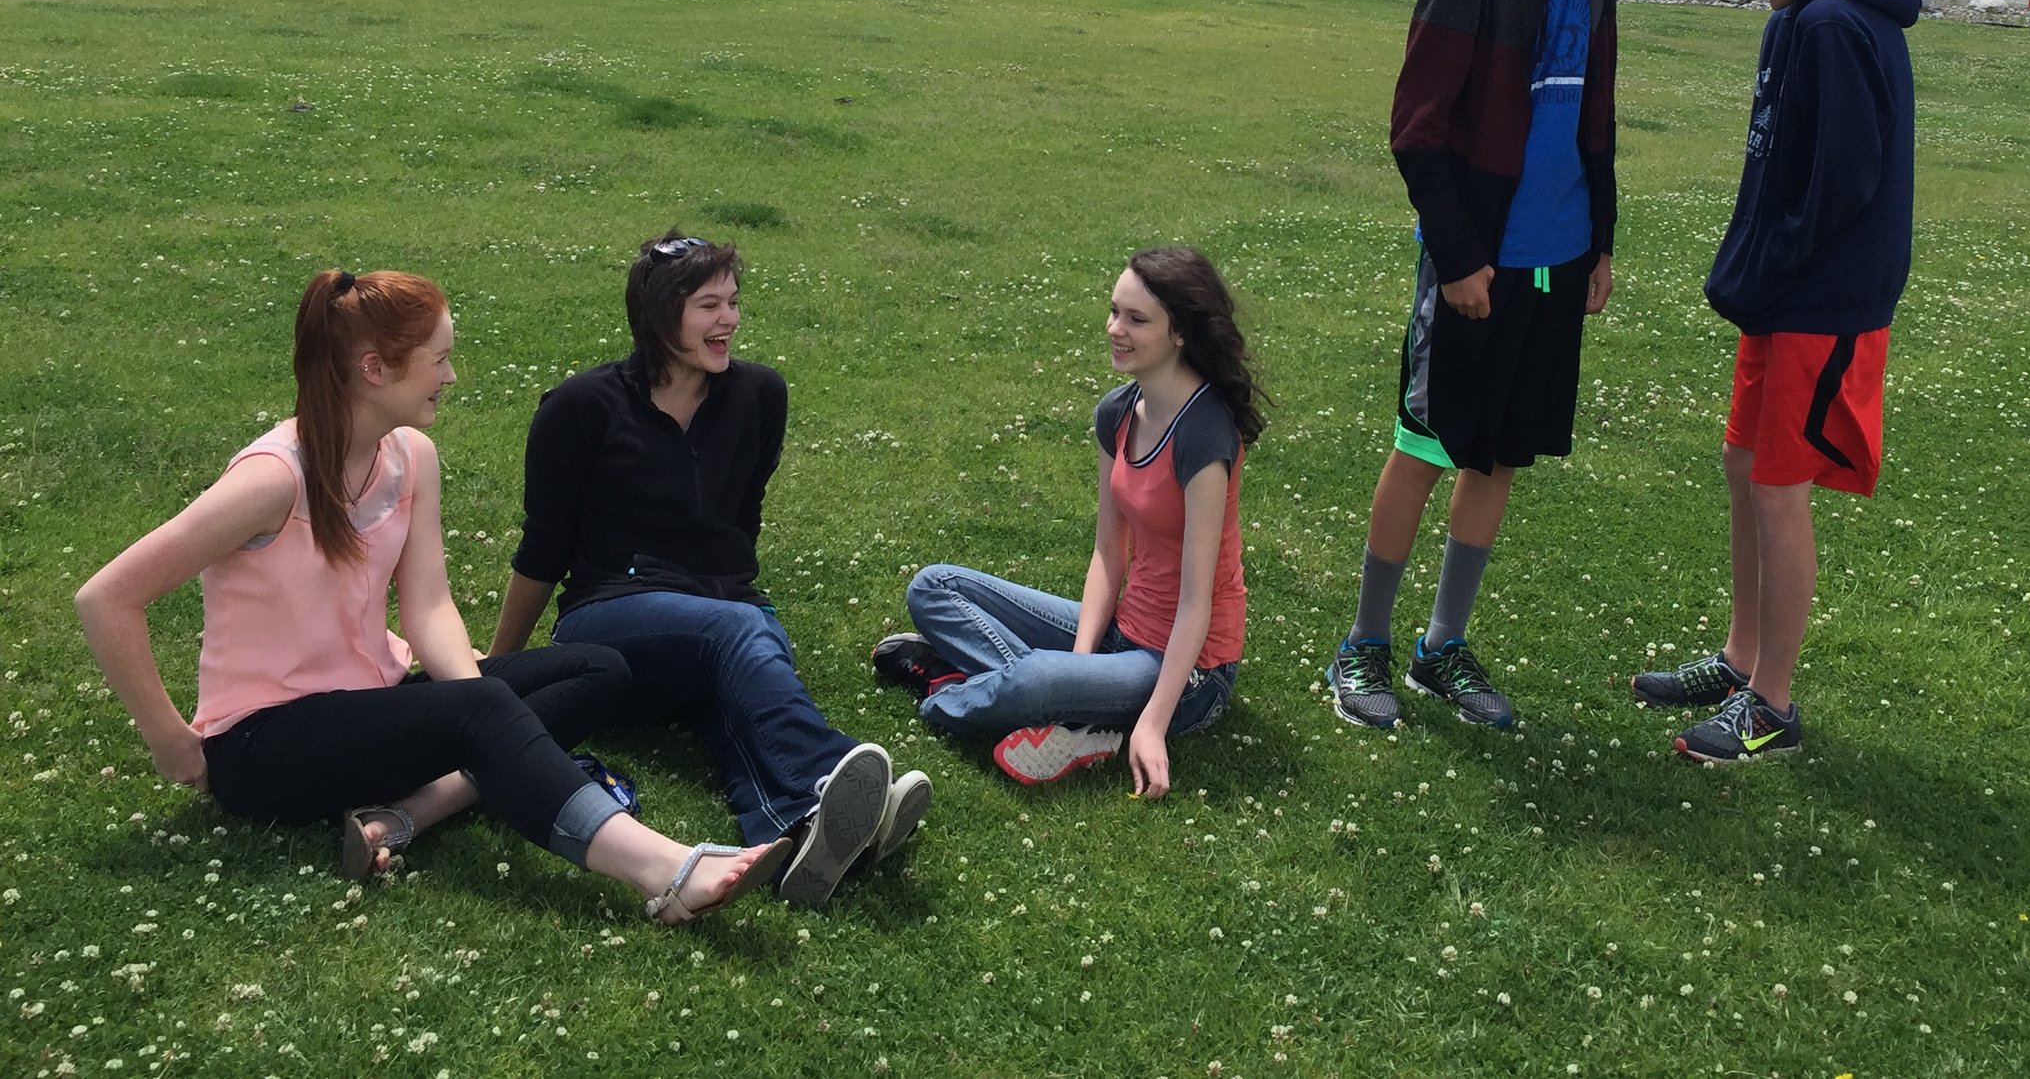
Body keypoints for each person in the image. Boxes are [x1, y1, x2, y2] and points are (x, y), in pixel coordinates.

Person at [75, 270, 790, 924]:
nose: (451, 374)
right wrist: (174, 743)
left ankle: (414, 807)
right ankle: (664, 872)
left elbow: (427, 607)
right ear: (374, 369)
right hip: (264, 745)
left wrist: (470, 696)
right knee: (480, 707)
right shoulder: (273, 480)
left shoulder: (409, 456)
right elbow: (107, 598)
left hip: (372, 703)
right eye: (438, 359)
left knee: (597, 665)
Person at [1327, 0, 1668, 731]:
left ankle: (1442, 649)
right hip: (1477, 263)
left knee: (1498, 459)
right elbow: (1416, 130)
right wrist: (1463, 257)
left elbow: (1593, 118)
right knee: (1424, 448)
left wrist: (1599, 242)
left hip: (1558, 261)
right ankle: (1363, 646)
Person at [488, 232, 925, 907]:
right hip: (607, 618)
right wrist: (501, 672)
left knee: (734, 675)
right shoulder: (579, 409)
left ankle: (799, 834)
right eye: (708, 305)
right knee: (736, 632)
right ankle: (822, 776)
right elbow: (543, 548)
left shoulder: (758, 396)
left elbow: (738, 526)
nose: (730, 319)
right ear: (660, 314)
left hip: (716, 614)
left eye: (733, 302)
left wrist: (739, 604)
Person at [1633, 0, 1920, 763]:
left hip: (1820, 300)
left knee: (1779, 484)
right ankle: (1740, 655)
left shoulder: (1836, 23)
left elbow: (1842, 181)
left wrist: (1777, 266)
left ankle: (1774, 702)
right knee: (1744, 461)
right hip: (1781, 295)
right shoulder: (1801, 18)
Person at [875, 246, 1260, 797]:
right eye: (1114, 312)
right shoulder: (1118, 413)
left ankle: (945, 688)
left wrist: (1150, 724)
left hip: (1189, 666)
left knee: (1035, 678)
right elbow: (1109, 552)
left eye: (1136, 319)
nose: (1114, 329)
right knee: (934, 587)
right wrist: (1078, 670)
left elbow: (1197, 601)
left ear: (1180, 333)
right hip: (1123, 630)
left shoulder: (1204, 433)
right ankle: (1062, 708)